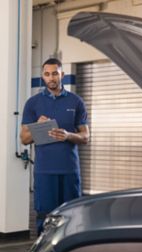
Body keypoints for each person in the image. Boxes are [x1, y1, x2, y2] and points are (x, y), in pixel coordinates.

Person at [20, 58, 90, 235]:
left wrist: (68, 135)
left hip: (69, 170)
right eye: (47, 74)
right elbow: (24, 139)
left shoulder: (76, 102)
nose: (51, 78)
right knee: (45, 218)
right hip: (45, 171)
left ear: (62, 75)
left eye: (55, 74)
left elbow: (85, 137)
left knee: (72, 217)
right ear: (42, 76)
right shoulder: (33, 103)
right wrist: (38, 126)